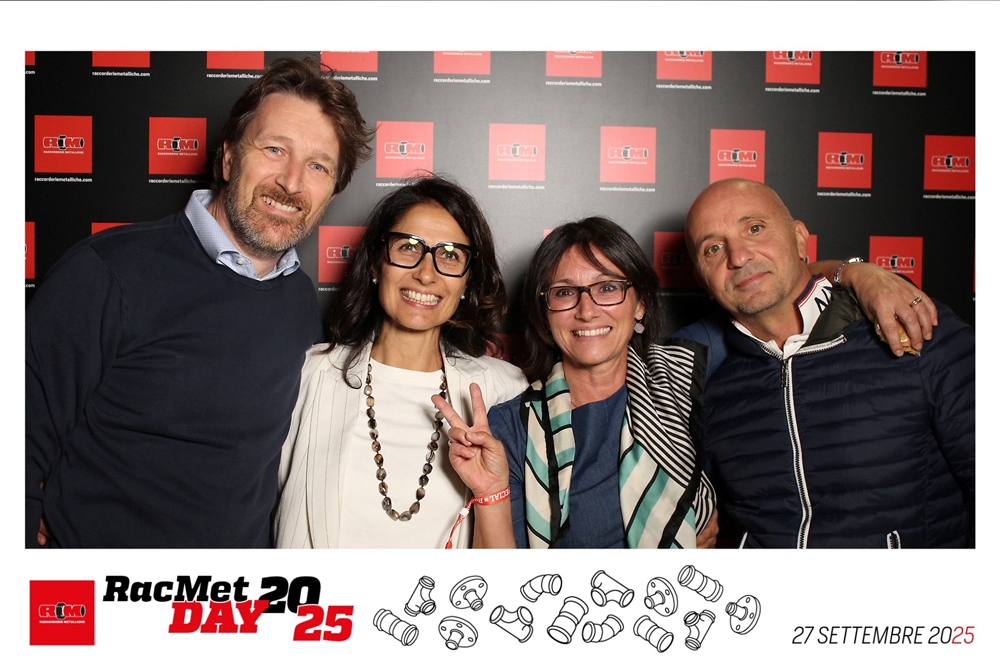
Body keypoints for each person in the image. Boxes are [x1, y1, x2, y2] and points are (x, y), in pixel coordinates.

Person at [25, 57, 374, 548]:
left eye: (318, 166)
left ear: (331, 194)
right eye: (275, 149)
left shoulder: (299, 299)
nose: (292, 181)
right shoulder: (109, 271)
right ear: (228, 158)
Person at [684, 178, 975, 548]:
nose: (738, 257)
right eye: (713, 248)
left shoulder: (911, 326)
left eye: (755, 229)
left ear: (799, 239)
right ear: (703, 280)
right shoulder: (707, 384)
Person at [274, 176, 527, 548]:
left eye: (450, 255)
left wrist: (491, 492)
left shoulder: (504, 390)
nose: (426, 274)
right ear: (377, 264)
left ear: (468, 282)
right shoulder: (307, 376)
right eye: (408, 247)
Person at [437, 217, 718, 548]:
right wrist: (490, 490)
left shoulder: (685, 382)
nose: (587, 311)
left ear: (640, 303)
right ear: (545, 314)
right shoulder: (511, 427)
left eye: (607, 288)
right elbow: (500, 575)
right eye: (565, 292)